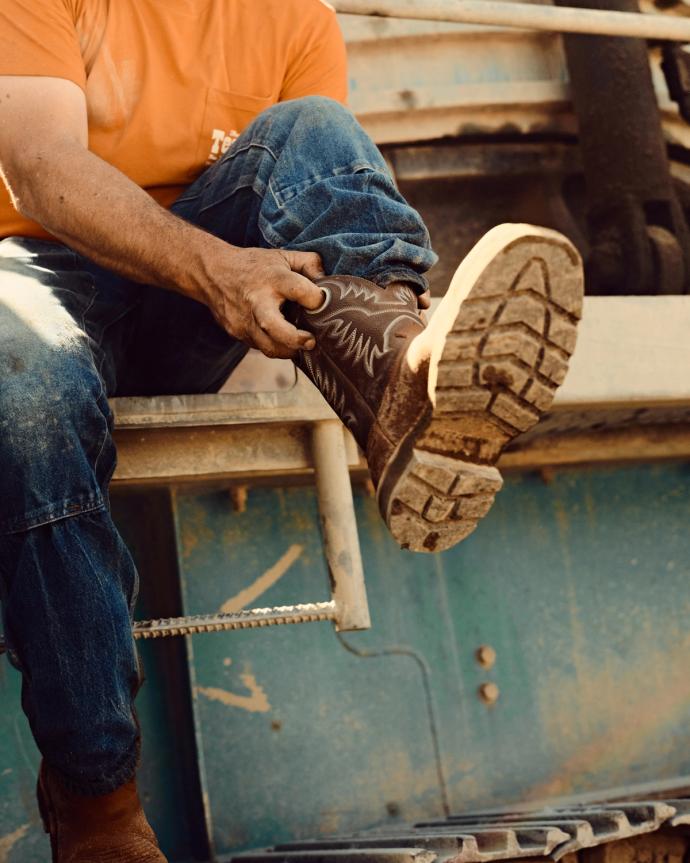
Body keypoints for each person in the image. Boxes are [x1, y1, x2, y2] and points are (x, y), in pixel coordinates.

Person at [0, 1, 584, 860]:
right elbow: (41, 168)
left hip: (191, 300)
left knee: (313, 130)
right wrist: (220, 271)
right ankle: (97, 799)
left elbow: (315, 198)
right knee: (25, 396)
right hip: (42, 267)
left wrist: (239, 275)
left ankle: (402, 377)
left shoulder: (297, 20)